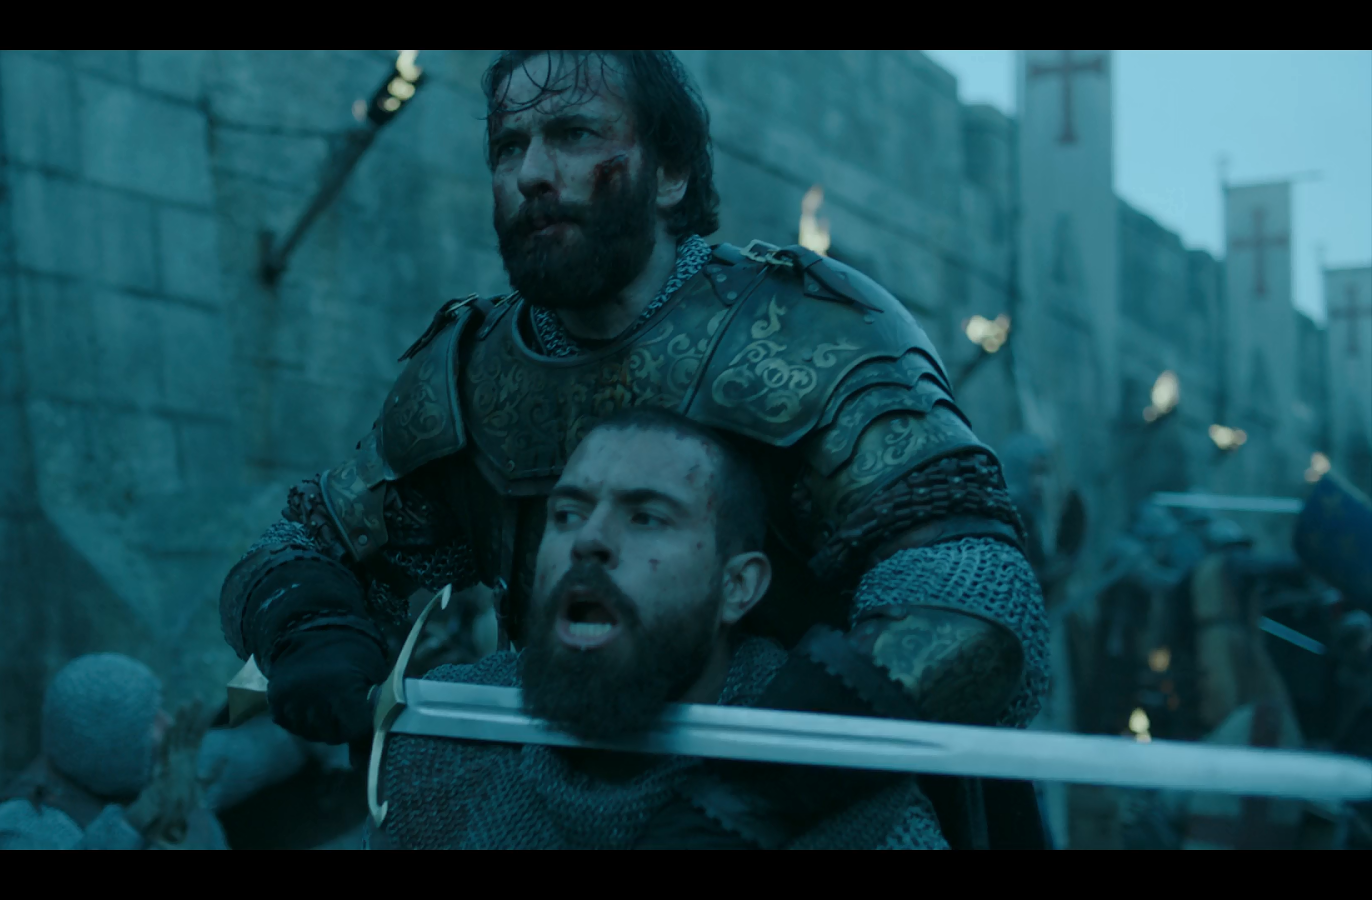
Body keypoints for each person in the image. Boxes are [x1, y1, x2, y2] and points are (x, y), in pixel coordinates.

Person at [219, 50, 1049, 848]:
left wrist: (752, 796)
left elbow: (973, 595)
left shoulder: (807, 333)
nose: (531, 172)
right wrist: (312, 626)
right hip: (561, 788)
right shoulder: (469, 372)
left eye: (574, 134)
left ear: (672, 171)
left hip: (831, 808)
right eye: (508, 146)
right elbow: (298, 547)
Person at [371, 409, 946, 848]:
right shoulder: (442, 749)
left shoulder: (844, 803)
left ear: (737, 586)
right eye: (567, 514)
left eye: (646, 517)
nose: (588, 540)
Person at [0, 653, 341, 850]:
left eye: (160, 708)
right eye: (149, 721)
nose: (167, 724)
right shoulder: (22, 831)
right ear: (108, 745)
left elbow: (263, 749)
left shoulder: (164, 772)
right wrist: (134, 826)